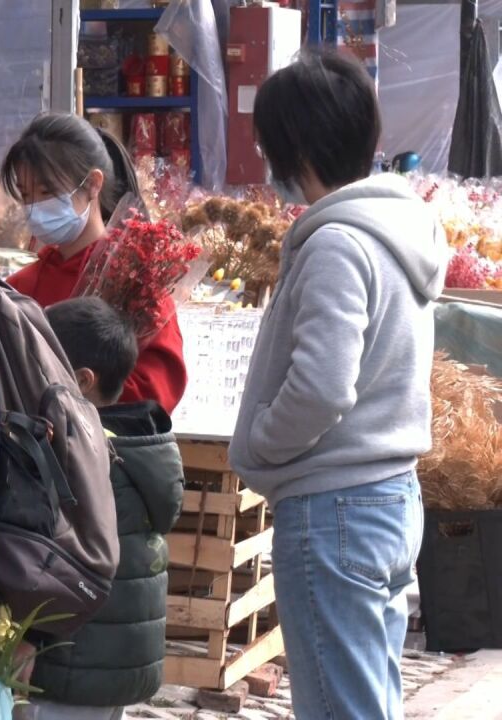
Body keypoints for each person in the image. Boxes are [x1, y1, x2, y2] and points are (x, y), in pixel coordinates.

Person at [230, 51, 447, 720]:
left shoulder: (337, 244)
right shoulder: (396, 228)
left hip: (336, 508)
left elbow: (322, 388)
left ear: (294, 146)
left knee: (338, 706)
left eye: (269, 146)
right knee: (365, 700)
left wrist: (262, 444)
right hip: (385, 498)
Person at [26, 297, 183, 720]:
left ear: (81, 380)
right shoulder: (140, 444)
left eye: (42, 362)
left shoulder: (86, 457)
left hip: (74, 663)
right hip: (117, 661)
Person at [0, 114, 187, 413]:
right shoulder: (18, 288)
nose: (35, 207)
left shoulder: (137, 281)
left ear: (93, 184)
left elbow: (156, 391)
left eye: (47, 192)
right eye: (26, 195)